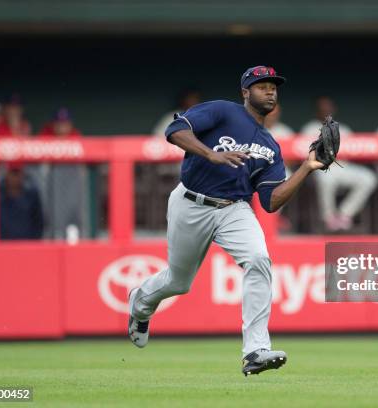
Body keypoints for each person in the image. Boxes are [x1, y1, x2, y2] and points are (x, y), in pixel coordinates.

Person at [128, 66, 326, 376]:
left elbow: (271, 202)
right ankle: (139, 304)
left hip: (234, 209)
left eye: (274, 86)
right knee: (179, 282)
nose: (270, 90)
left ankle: (255, 350)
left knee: (259, 259)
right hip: (191, 201)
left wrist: (306, 168)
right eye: (262, 86)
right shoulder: (222, 111)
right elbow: (174, 130)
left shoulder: (270, 146)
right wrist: (210, 154)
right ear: (246, 92)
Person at [300, 96, 377, 231]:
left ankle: (344, 214)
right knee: (325, 178)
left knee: (368, 177)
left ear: (333, 110)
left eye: (328, 107)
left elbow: (355, 150)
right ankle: (328, 218)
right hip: (320, 168)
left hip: (342, 167)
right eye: (322, 108)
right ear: (317, 111)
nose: (325, 110)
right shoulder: (309, 129)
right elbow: (304, 154)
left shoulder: (343, 129)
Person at [38, 108, 88, 239]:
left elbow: (83, 168)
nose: (62, 127)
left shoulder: (76, 136)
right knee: (53, 222)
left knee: (76, 222)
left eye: (65, 123)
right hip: (52, 186)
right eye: (59, 123)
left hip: (72, 185)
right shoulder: (46, 136)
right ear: (53, 124)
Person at [0, 163, 44, 240]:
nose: (15, 178)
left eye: (17, 172)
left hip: (26, 245)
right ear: (6, 174)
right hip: (2, 246)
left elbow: (39, 222)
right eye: (13, 172)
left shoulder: (32, 195)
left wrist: (34, 241)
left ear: (22, 174)